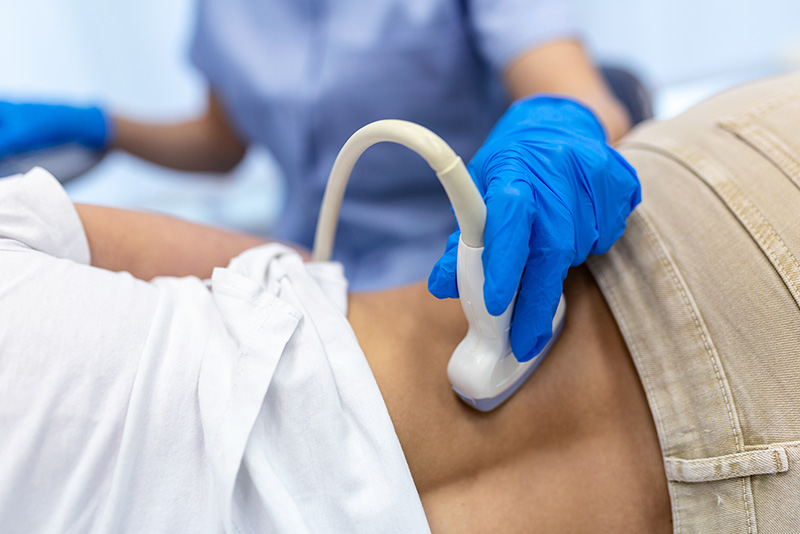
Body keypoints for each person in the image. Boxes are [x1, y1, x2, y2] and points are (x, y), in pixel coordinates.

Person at [2, 70, 800, 533]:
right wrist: (104, 128)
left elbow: (565, 78)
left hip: (675, 258)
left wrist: (560, 119)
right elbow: (259, 251)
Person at [0, 0, 641, 364]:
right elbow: (222, 145)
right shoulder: (227, 12)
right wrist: (103, 127)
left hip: (465, 265)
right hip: (299, 266)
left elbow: (584, 98)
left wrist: (559, 126)